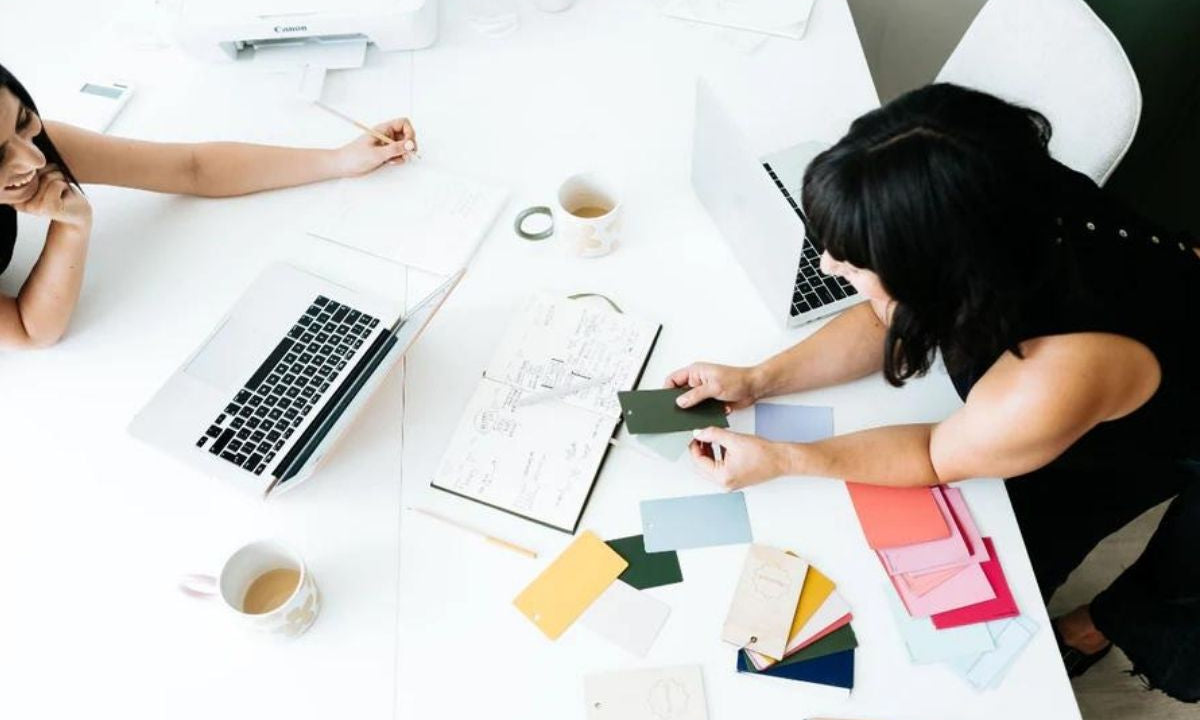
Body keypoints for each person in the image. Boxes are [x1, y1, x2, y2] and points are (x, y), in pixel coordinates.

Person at [668, 83, 1199, 702]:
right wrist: (760, 379)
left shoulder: (1052, 376)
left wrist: (788, 459)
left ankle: (1092, 630)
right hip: (1156, 330)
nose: (827, 266)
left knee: (1077, 557)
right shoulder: (990, 191)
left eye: (854, 258)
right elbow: (885, 315)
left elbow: (935, 456)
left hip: (1167, 405)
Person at [0, 62, 417, 349]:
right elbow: (32, 330)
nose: (34, 159)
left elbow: (191, 168)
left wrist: (337, 160)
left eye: (23, 121)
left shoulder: (37, 147)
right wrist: (72, 226)